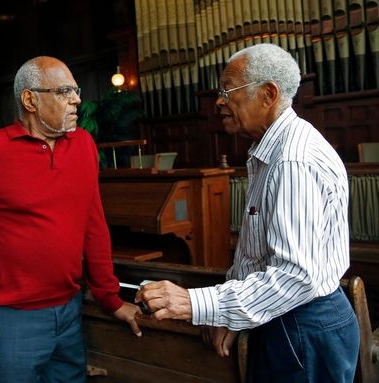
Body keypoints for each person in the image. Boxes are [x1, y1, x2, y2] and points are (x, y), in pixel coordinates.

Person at [136, 43, 359, 382]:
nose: (219, 101)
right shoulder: (271, 148)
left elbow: (294, 276)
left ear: (268, 94)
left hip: (301, 327)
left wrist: (194, 303)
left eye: (228, 90)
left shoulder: (292, 160)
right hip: (283, 318)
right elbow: (257, 256)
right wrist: (233, 316)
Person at [0, 56, 142, 382]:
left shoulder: (84, 144)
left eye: (76, 90)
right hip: (11, 318)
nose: (77, 99)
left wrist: (109, 297)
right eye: (64, 91)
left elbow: (93, 223)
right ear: (30, 99)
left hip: (70, 311)